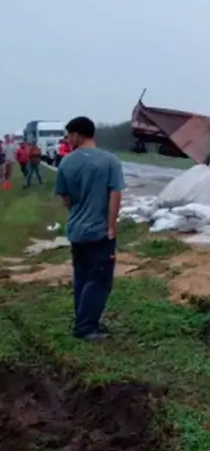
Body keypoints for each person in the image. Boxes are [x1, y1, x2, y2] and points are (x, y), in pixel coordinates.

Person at [54, 116, 125, 341]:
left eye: (69, 135)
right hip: (99, 231)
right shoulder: (109, 161)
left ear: (77, 135)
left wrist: (76, 215)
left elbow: (65, 198)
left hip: (76, 230)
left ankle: (84, 319)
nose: (68, 139)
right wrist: (111, 226)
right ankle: (85, 327)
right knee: (100, 280)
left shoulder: (66, 162)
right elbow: (115, 195)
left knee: (82, 277)